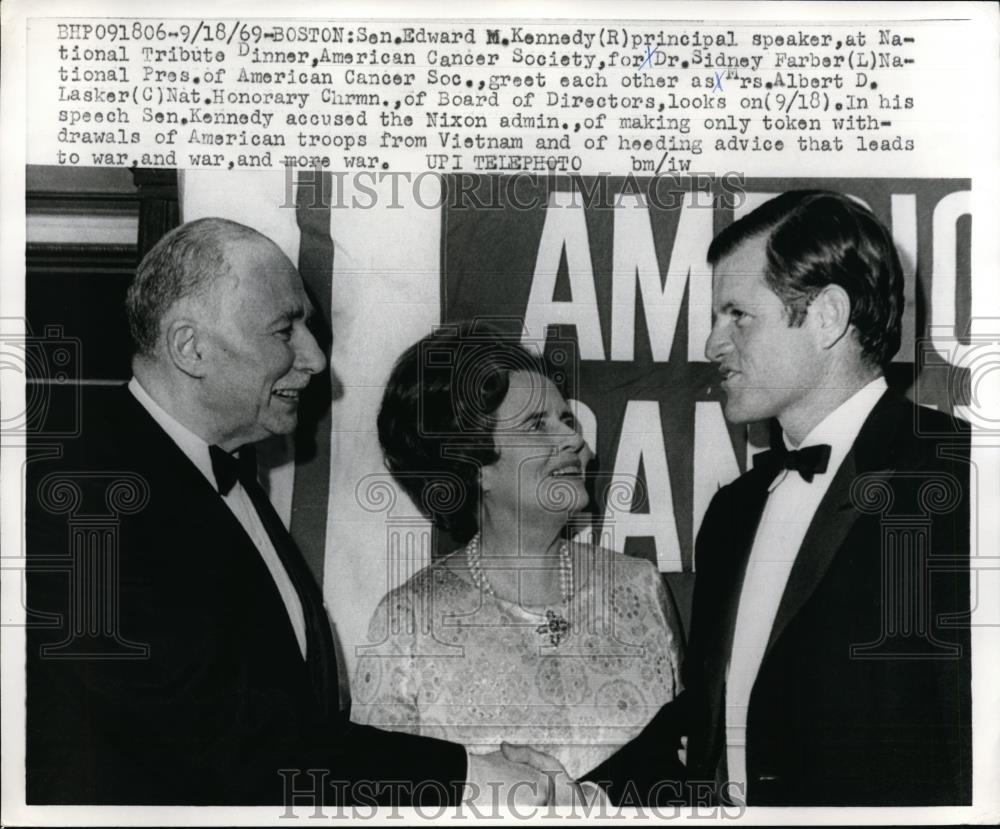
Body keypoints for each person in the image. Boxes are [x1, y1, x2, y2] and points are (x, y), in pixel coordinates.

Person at [25, 218, 571, 807]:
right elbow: (222, 744)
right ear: (190, 346)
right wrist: (466, 775)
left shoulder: (222, 475)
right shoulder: (85, 497)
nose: (314, 358)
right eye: (286, 329)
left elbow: (279, 719)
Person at [586, 190, 971, 806]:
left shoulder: (966, 479)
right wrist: (570, 793)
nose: (713, 344)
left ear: (826, 316)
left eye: (738, 314)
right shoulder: (732, 512)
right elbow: (714, 718)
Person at [351, 323, 686, 784]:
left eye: (567, 420)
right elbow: (377, 799)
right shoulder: (409, 621)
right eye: (536, 425)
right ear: (474, 467)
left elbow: (692, 768)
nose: (574, 441)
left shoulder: (641, 587)